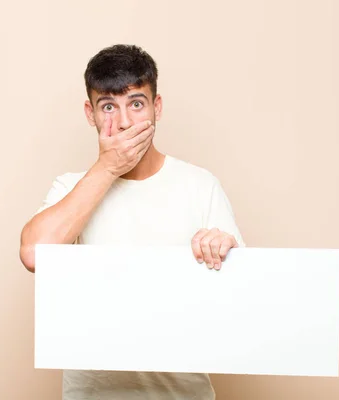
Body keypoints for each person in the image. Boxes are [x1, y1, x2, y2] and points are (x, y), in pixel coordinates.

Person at [20, 44, 245, 400]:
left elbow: (240, 301)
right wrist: (109, 167)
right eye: (108, 106)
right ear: (90, 114)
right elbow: (34, 254)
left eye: (136, 104)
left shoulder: (201, 185)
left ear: (156, 108)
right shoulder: (69, 188)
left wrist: (224, 249)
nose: (124, 122)